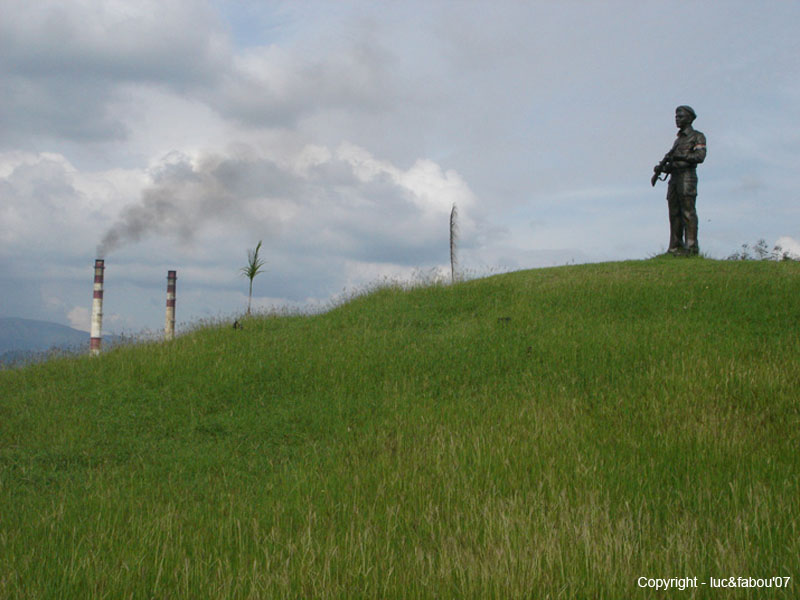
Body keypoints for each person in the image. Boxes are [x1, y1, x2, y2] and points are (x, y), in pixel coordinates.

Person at [652, 106, 707, 255]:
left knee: (688, 212)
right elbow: (673, 162)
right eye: (676, 116)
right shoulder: (677, 141)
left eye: (680, 116)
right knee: (674, 213)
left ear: (689, 118)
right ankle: (675, 246)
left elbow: (699, 157)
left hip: (687, 177)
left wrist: (680, 157)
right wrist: (663, 168)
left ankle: (691, 247)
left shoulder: (697, 136)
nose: (677, 119)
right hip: (674, 178)